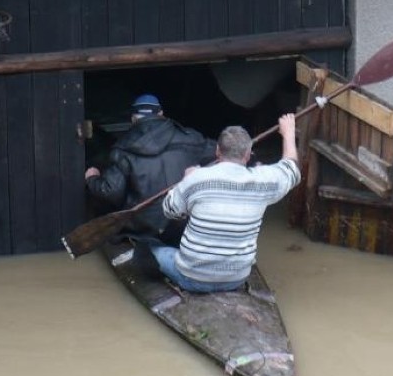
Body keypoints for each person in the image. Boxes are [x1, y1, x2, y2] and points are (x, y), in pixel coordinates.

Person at [145, 113, 300, 293]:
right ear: (248, 155)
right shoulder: (264, 181)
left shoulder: (197, 179)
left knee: (146, 250)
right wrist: (288, 133)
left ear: (217, 151)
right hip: (236, 279)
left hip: (192, 278)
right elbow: (292, 170)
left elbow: (170, 211)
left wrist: (185, 180)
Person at [84, 93, 217, 245]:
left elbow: (110, 192)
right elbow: (220, 153)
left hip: (144, 228)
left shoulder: (122, 150)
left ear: (134, 118)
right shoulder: (191, 138)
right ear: (161, 114)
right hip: (183, 222)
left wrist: (92, 178)